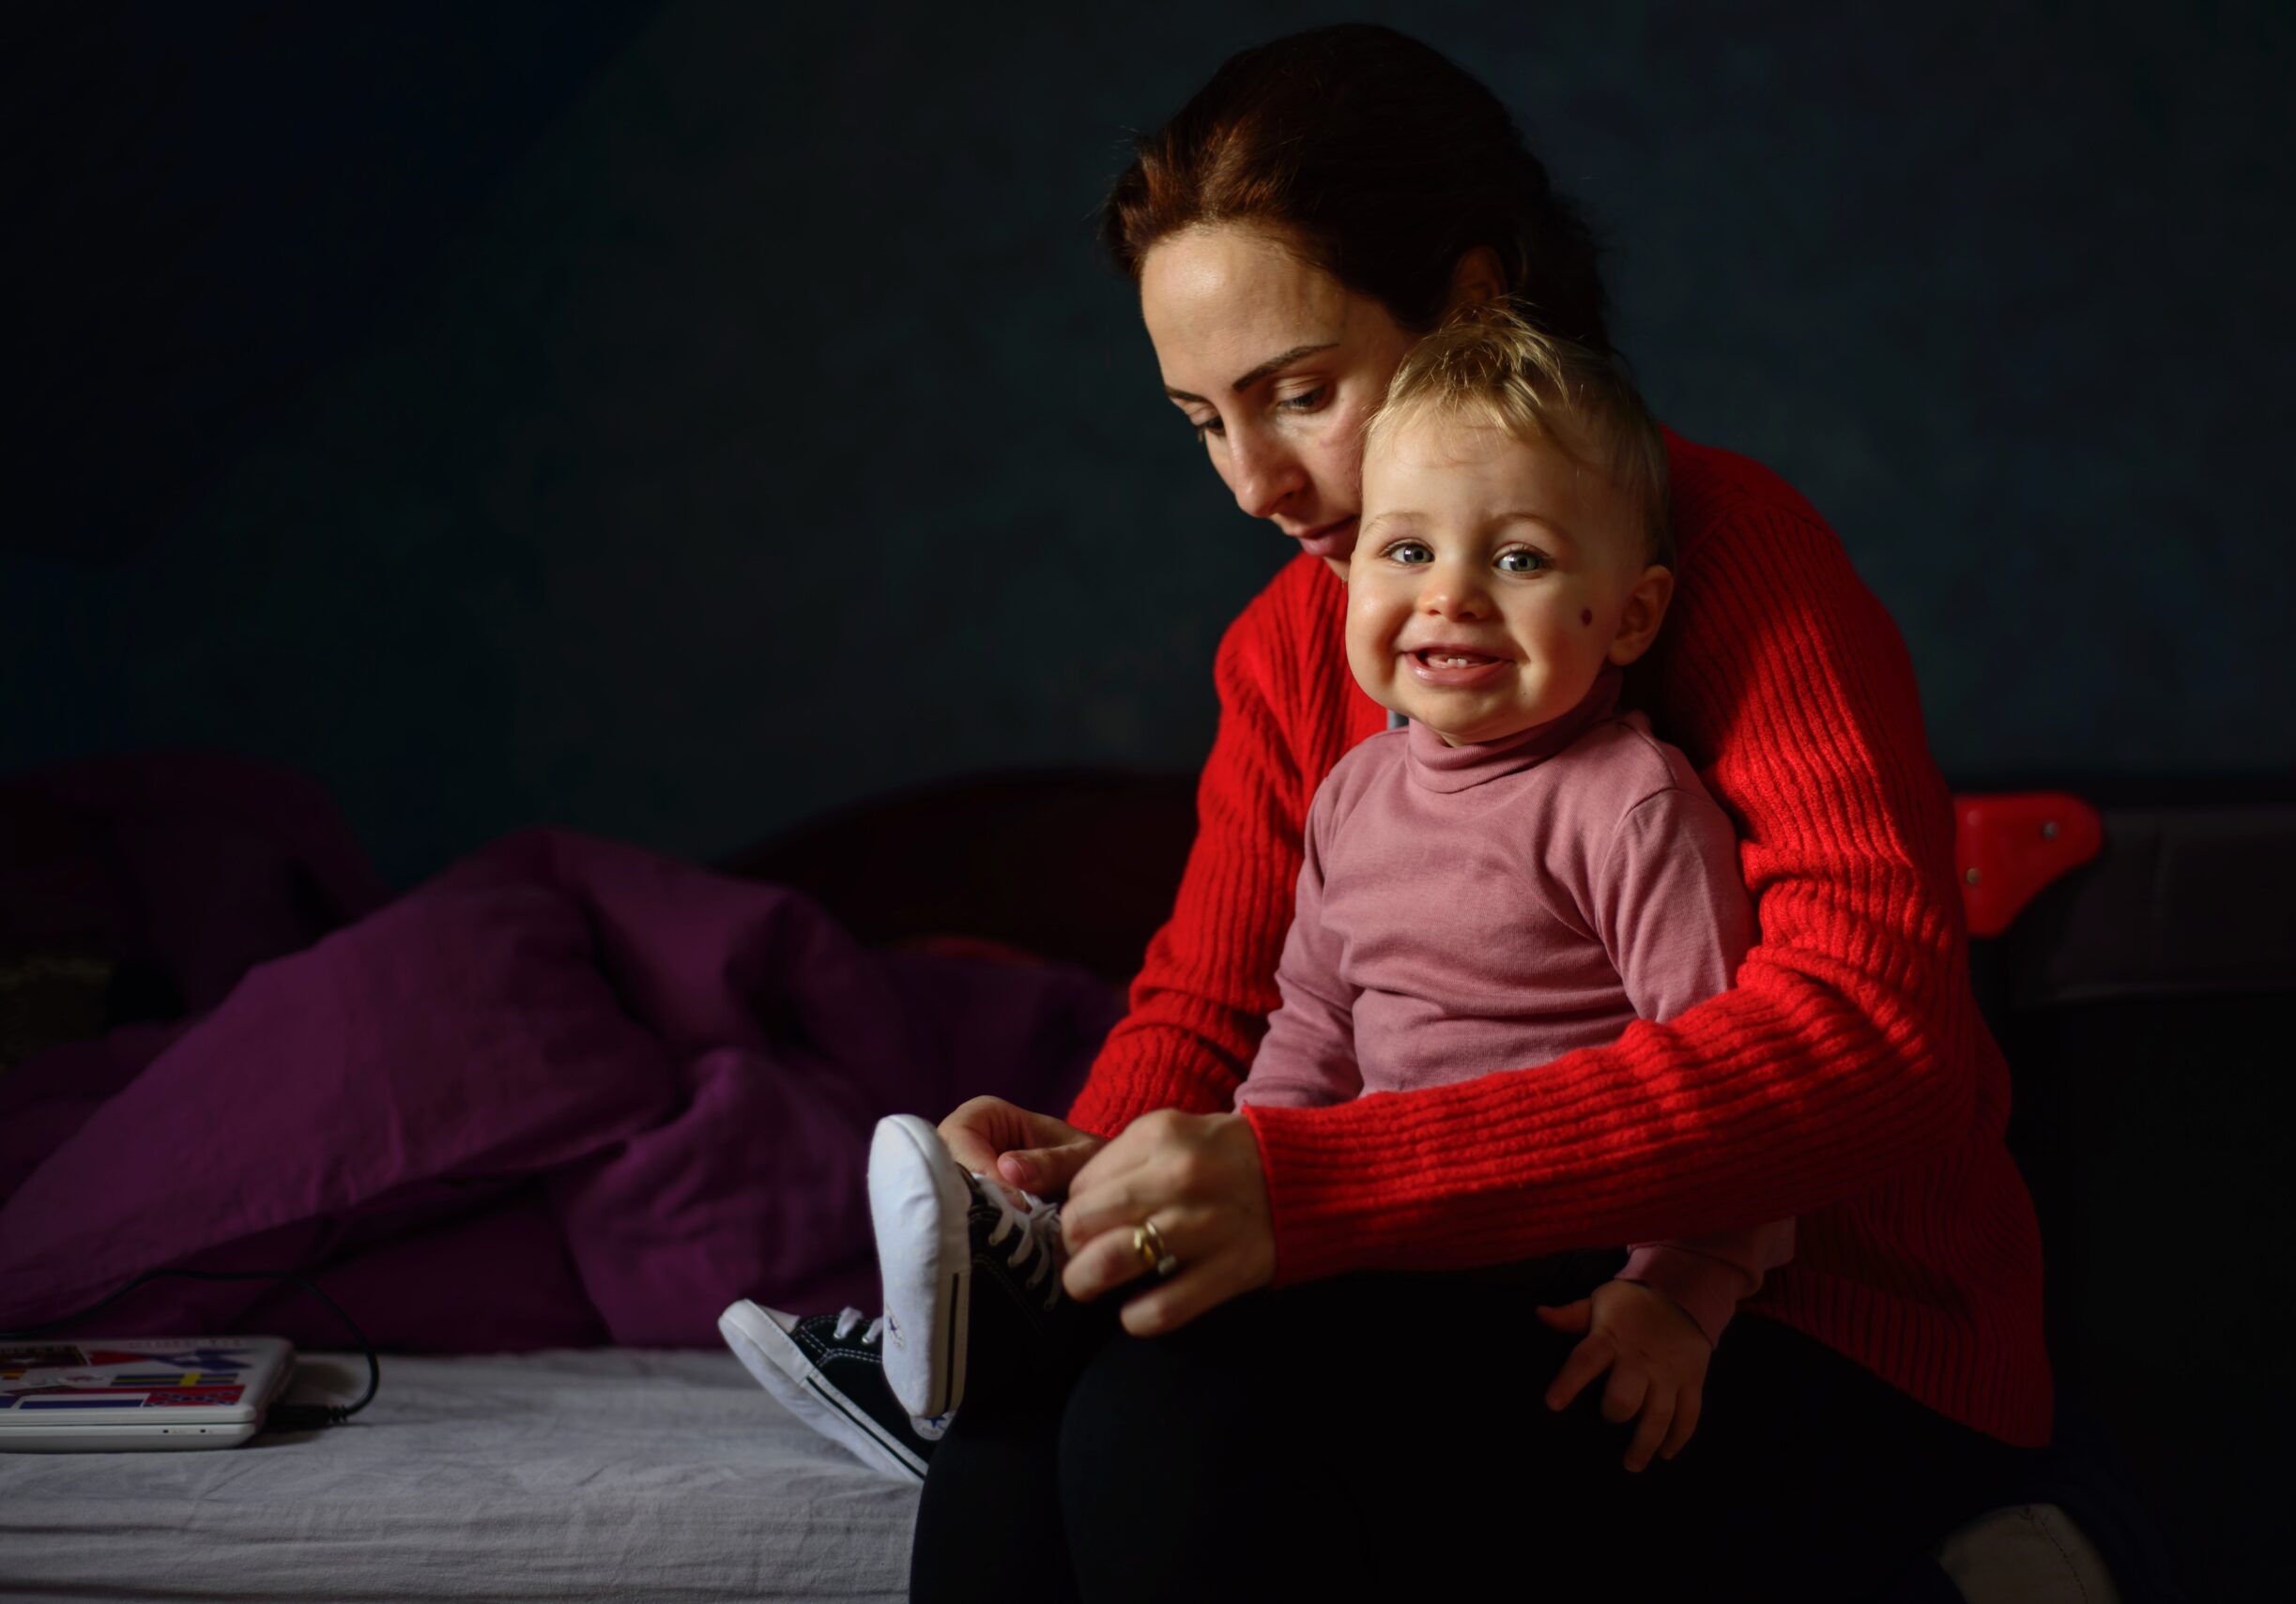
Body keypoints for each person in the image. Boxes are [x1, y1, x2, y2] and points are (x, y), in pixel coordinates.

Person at [744, 23, 2053, 1601]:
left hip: (1787, 1322)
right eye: (1203, 420)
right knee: (1021, 1426)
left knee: (1174, 1424)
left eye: (1298, 394)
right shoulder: (1289, 646)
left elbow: (1874, 1038)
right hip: (1459, 1278)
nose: (1253, 483)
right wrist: (1086, 1188)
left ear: (1476, 300)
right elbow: (1216, 1004)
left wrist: (1313, 1186)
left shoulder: (1730, 556)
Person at [849, 309, 1794, 1477]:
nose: (1451, 595)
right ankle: (1015, 1304)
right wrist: (1239, 1166)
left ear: (1633, 614)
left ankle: (1033, 1310)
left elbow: (1732, 1095)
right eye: (1407, 551)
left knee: (1171, 1400)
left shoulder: (1628, 805)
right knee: (1029, 1435)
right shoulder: (1352, 792)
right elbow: (1311, 1027)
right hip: (1374, 1223)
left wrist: (1681, 1290)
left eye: (1519, 559)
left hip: (1554, 1256)